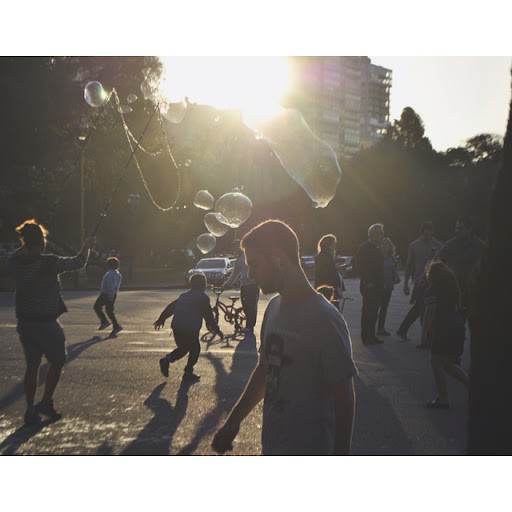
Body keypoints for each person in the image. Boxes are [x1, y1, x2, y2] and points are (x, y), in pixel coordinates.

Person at [212, 220, 357, 455]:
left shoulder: (324, 318)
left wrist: (342, 454)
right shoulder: (273, 308)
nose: (250, 274)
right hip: (273, 445)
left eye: (255, 265)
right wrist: (233, 421)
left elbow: (344, 393)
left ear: (279, 259)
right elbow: (266, 368)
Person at [7, 219, 95, 425]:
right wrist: (87, 246)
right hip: (46, 323)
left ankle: (30, 410)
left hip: (25, 322)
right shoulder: (49, 262)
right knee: (58, 360)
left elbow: (13, 255)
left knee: (32, 365)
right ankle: (46, 402)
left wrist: (27, 243)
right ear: (42, 241)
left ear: (24, 241)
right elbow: (78, 262)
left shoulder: (16, 263)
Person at [153, 272, 223, 382]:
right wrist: (217, 330)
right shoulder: (203, 298)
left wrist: (161, 319)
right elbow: (208, 317)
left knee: (183, 348)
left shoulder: (184, 295)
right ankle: (187, 372)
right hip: (190, 327)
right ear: (203, 284)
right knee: (195, 349)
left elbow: (171, 308)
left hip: (177, 326)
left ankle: (167, 360)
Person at [421, 261, 469, 408]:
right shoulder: (452, 289)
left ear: (432, 276)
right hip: (457, 325)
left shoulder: (432, 291)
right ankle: (475, 388)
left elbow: (430, 311)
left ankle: (443, 399)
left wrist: (424, 333)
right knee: (448, 364)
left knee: (436, 362)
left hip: (444, 328)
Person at [397, 221, 443, 341]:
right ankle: (427, 339)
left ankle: (402, 330)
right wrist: (406, 283)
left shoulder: (438, 245)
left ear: (433, 233)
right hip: (420, 283)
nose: (427, 237)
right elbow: (409, 264)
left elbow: (442, 263)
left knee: (419, 307)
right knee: (423, 310)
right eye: (425, 234)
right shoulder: (414, 245)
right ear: (422, 233)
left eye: (430, 234)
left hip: (434, 282)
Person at [437, 216, 485, 323]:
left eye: (460, 228)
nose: (457, 231)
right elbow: (436, 263)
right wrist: (424, 278)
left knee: (477, 325)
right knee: (457, 325)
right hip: (456, 293)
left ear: (470, 229)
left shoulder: (480, 246)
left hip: (475, 294)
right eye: (456, 228)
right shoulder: (450, 245)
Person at [353, 223, 385, 345]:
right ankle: (366, 337)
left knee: (374, 312)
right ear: (373, 234)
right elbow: (360, 266)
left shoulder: (377, 247)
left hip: (378, 285)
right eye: (380, 234)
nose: (382, 236)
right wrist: (368, 282)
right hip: (369, 285)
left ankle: (372, 335)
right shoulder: (365, 248)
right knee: (368, 311)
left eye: (382, 234)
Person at [222, 239, 259, 334]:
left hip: (253, 285)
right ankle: (248, 325)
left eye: (237, 246)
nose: (235, 249)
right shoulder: (239, 259)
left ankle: (250, 327)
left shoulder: (251, 255)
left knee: (251, 307)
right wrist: (226, 285)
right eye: (234, 247)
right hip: (244, 285)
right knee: (246, 306)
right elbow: (234, 274)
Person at [93, 256, 123, 337]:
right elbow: (116, 286)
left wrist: (110, 296)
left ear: (109, 265)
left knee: (97, 307)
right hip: (113, 293)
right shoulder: (118, 274)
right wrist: (113, 295)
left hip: (106, 294)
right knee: (109, 311)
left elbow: (110, 286)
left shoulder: (109, 274)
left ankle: (105, 322)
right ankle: (115, 325)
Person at [377, 237, 398, 336]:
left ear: (390, 246)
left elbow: (393, 271)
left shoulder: (391, 258)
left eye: (387, 244)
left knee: (384, 309)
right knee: (376, 308)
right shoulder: (378, 257)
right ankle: (373, 329)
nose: (385, 246)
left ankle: (381, 328)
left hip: (389, 286)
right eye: (383, 244)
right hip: (379, 286)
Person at [314, 234, 344, 301]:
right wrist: (337, 289)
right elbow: (331, 274)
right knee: (333, 305)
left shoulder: (321, 256)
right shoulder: (328, 256)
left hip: (323, 288)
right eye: (334, 243)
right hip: (329, 290)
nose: (335, 246)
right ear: (329, 245)